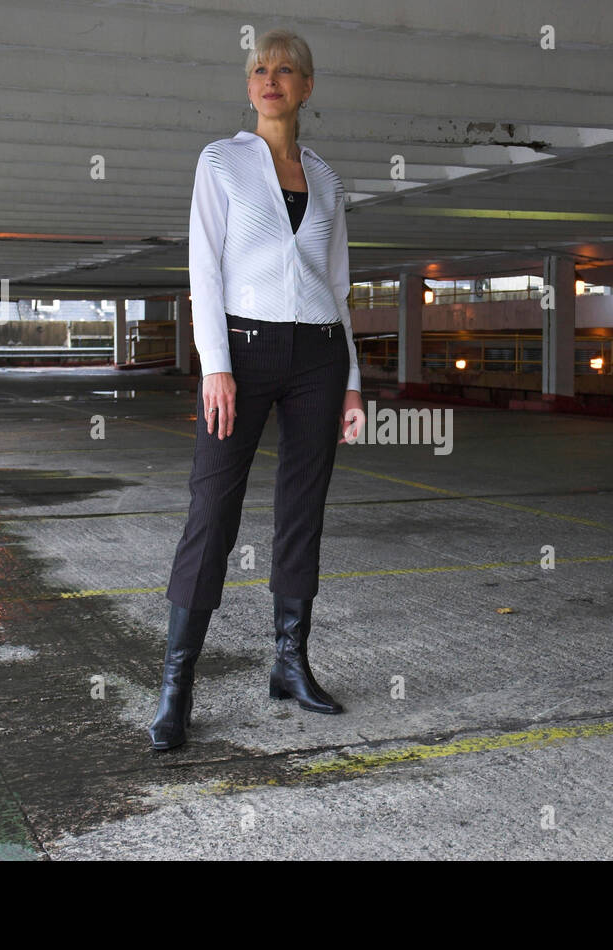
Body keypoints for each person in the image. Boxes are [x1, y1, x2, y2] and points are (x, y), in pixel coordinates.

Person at [149, 29, 365, 751]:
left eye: (285, 70)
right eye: (258, 70)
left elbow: (338, 287)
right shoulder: (222, 162)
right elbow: (204, 268)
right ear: (249, 87)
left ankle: (290, 662)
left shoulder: (327, 178)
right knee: (212, 507)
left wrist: (354, 385)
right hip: (240, 350)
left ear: (307, 87)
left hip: (319, 357)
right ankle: (177, 683)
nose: (270, 79)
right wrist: (215, 364)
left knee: (302, 510)